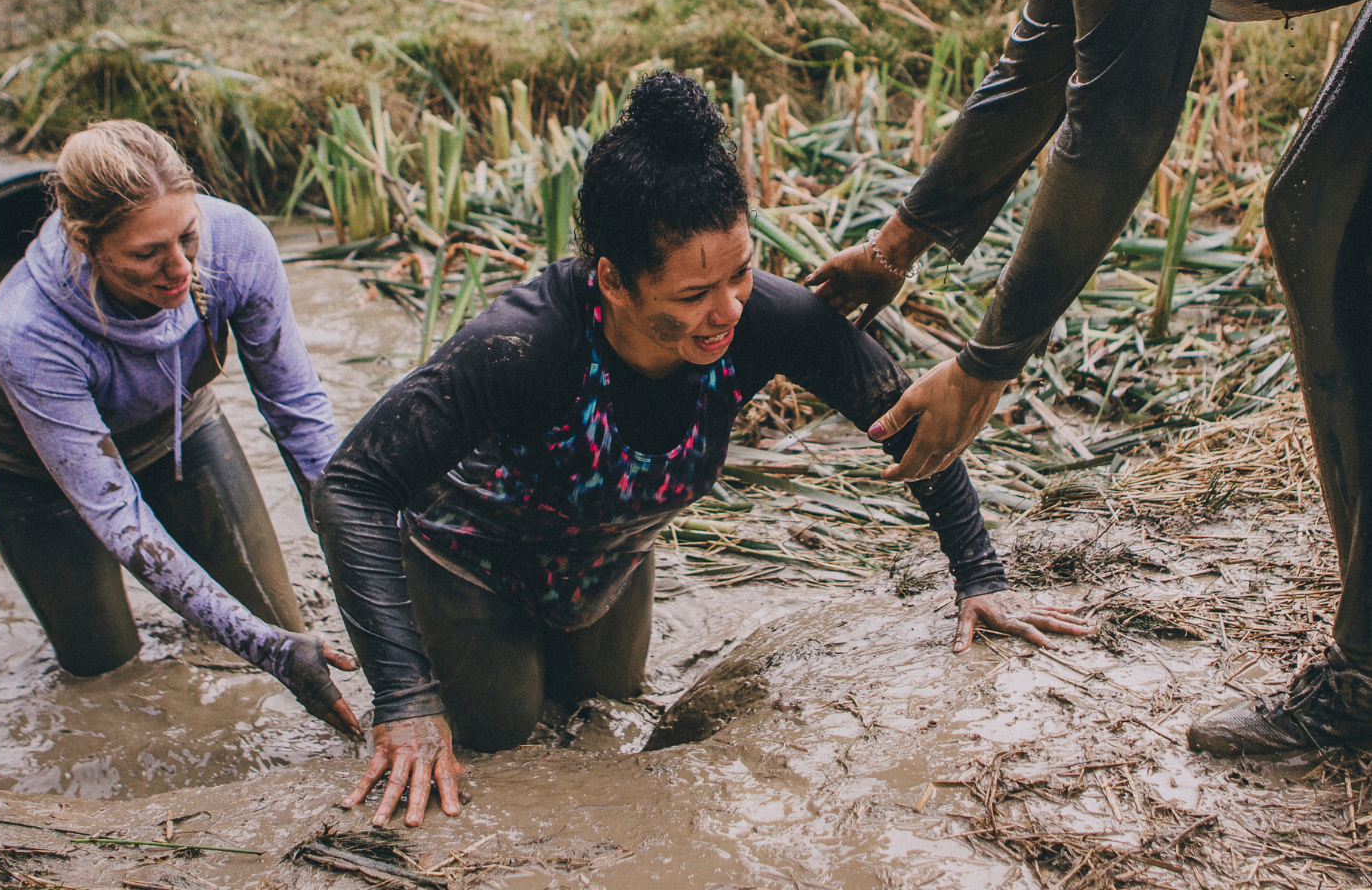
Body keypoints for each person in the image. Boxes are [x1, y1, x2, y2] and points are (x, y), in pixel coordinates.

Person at [818, 0, 1372, 754]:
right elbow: (1048, 52)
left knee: (1336, 225)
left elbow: (1120, 109)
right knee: (1326, 218)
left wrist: (985, 363)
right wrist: (901, 243)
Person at [313, 72, 1088, 827]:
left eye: (742, 274)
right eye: (691, 296)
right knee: (509, 742)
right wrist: (406, 699)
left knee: (612, 711)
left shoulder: (764, 320)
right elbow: (351, 486)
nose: (726, 313)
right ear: (614, 281)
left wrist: (979, 577)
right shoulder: (522, 346)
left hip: (608, 559)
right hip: (471, 564)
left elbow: (909, 420)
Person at [0, 118, 360, 738]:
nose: (179, 268)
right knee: (105, 674)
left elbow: (297, 411)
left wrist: (364, 549)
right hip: (37, 479)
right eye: (147, 254)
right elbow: (117, 516)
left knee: (284, 621)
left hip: (181, 427)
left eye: (187, 237)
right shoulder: (26, 329)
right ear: (84, 242)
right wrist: (265, 650)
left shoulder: (236, 242)